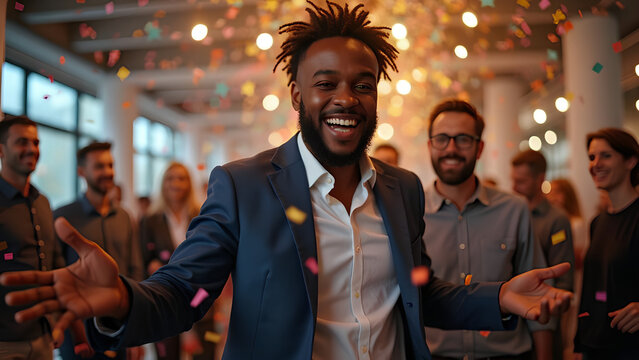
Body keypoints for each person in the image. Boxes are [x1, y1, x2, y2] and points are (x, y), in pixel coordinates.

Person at [2, 2, 571, 359]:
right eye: (326, 83)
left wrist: (500, 296)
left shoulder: (402, 189)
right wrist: (124, 301)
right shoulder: (244, 185)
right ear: (298, 94)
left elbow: (418, 292)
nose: (346, 98)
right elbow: (187, 292)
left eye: (363, 84)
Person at [422, 99, 553, 360]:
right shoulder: (411, 213)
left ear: (479, 148)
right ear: (430, 146)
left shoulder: (514, 209)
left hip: (507, 354)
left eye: (463, 139)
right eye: (442, 139)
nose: (451, 148)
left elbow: (538, 295)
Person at [53, 142, 144, 360]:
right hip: (80, 333)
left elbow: (136, 272)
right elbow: (55, 275)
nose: (108, 172)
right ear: (81, 172)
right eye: (99, 166)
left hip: (120, 328)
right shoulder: (63, 217)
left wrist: (137, 331)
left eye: (110, 165)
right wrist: (77, 331)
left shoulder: (124, 217)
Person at [0, 115, 70, 360]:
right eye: (21, 142)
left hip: (43, 336)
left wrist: (58, 321)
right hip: (5, 341)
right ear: (1, 150)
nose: (31, 149)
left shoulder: (43, 203)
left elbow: (54, 264)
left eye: (36, 142)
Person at [574, 128, 639, 359]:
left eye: (606, 155)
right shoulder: (598, 222)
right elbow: (592, 286)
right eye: (592, 157)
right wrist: (581, 343)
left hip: (631, 347)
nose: (596, 164)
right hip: (596, 344)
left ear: (631, 161)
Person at [139, 162, 214, 360]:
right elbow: (144, 259)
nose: (176, 183)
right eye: (170, 178)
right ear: (162, 183)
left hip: (200, 293)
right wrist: (152, 265)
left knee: (205, 353)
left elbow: (211, 254)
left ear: (189, 184)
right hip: (166, 297)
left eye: (181, 178)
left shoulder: (201, 214)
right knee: (167, 354)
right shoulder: (151, 220)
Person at [511, 150, 575, 359]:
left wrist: (551, 314)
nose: (514, 187)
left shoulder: (556, 220)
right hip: (514, 316)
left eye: (521, 181)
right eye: (513, 180)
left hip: (544, 316)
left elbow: (563, 277)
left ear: (540, 179)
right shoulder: (511, 215)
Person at [546, 178, 588, 360]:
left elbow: (578, 257)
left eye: (557, 192)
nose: (552, 196)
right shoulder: (555, 220)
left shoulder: (576, 223)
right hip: (558, 277)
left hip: (574, 277)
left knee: (570, 321)